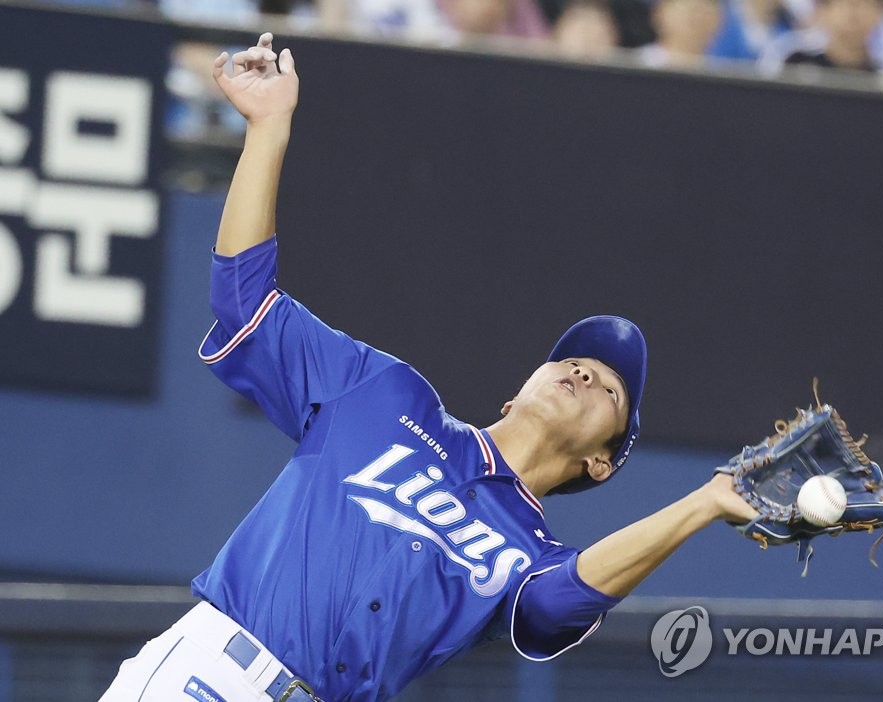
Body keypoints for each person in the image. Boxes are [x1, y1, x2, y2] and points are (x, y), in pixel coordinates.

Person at [100, 33, 757, 702]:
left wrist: (703, 503)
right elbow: (243, 303)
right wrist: (267, 129)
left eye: (609, 388)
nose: (585, 373)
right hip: (213, 675)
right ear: (512, 394)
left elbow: (560, 606)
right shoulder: (386, 395)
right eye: (573, 360)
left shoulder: (528, 555)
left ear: (602, 464)